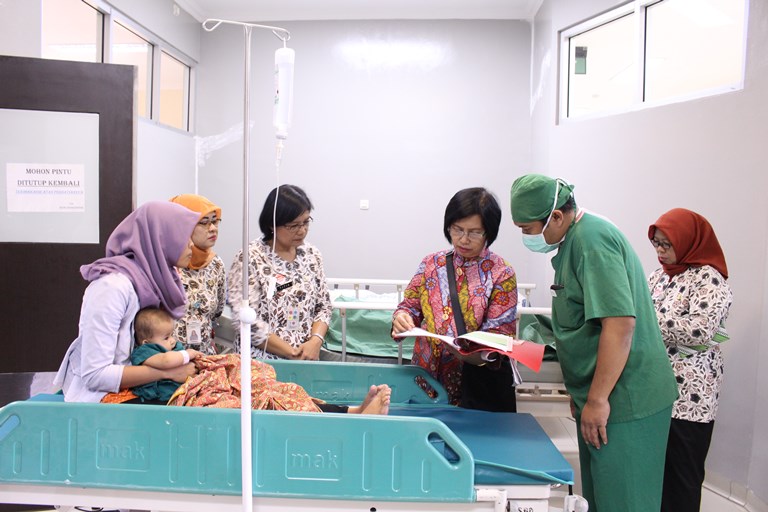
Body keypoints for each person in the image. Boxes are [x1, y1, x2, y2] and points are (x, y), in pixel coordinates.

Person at [509, 174, 678, 512]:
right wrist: (583, 394)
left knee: (624, 502)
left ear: (557, 216)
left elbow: (620, 324)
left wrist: (598, 399)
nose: (526, 237)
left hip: (626, 397)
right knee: (600, 498)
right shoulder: (573, 241)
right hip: (601, 394)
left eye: (528, 229)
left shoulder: (593, 241)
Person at [53, 202, 201, 403]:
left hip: (141, 388)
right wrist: (168, 373)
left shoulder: (154, 280)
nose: (192, 245)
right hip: (103, 398)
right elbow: (95, 375)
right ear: (161, 239)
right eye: (185, 237)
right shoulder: (111, 288)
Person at [391, 187, 519, 411]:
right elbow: (409, 306)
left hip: (473, 386)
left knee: (471, 433)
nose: (464, 239)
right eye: (457, 229)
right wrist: (402, 317)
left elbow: (499, 336)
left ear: (489, 232)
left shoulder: (502, 273)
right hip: (427, 380)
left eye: (475, 232)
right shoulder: (431, 263)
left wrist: (472, 352)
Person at [647, 208, 733, 512]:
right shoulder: (658, 277)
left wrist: (645, 321)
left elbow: (700, 329)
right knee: (655, 474)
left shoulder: (709, 278)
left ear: (687, 241)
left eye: (666, 244)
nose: (660, 251)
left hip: (690, 396)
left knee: (682, 476)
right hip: (656, 389)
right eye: (656, 243)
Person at [228, 185, 332, 361]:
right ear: (272, 224)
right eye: (293, 225)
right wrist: (291, 353)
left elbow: (323, 306)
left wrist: (315, 341)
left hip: (306, 358)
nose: (302, 230)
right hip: (261, 361)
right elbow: (244, 319)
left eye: (306, 222)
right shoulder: (249, 257)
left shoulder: (312, 255)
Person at [169, 194, 227, 355]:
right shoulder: (166, 263)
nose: (213, 228)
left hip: (204, 357)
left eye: (215, 221)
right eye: (204, 222)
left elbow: (216, 312)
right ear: (182, 225)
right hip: (169, 360)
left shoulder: (215, 264)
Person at [131, 307, 203, 403]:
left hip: (182, 392)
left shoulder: (171, 347)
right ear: (146, 343)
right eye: (166, 338)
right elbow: (166, 361)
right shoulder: (145, 351)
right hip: (160, 399)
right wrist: (188, 354)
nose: (172, 340)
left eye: (172, 335)